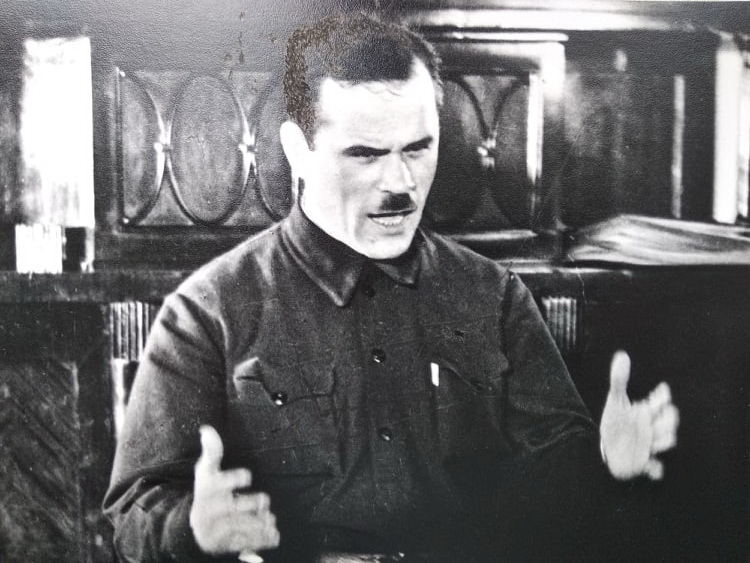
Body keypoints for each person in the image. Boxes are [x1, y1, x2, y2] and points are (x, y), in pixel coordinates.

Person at [104, 12, 679, 563]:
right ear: (298, 151)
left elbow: (555, 477)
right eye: (366, 154)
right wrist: (191, 528)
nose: (401, 183)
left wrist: (606, 462)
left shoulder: (493, 296)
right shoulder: (208, 311)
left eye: (418, 148)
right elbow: (132, 513)